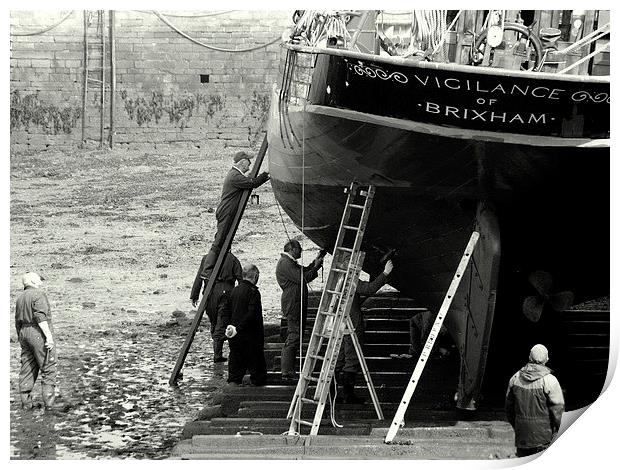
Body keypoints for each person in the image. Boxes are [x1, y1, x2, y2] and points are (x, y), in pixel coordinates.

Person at [333, 259, 394, 404]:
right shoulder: (350, 279)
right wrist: (385, 273)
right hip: (352, 323)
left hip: (338, 323)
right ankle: (348, 395)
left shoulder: (337, 278)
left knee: (338, 359)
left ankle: (332, 394)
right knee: (352, 359)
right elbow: (369, 289)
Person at [202, 151, 270, 272]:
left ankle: (217, 265)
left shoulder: (235, 175)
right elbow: (252, 183)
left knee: (223, 239)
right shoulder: (235, 176)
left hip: (227, 210)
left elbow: (250, 181)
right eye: (248, 163)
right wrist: (266, 173)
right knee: (220, 240)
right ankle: (207, 269)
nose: (249, 166)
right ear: (243, 163)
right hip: (227, 211)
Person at [276, 239, 325, 382]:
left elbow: (303, 271)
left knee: (296, 335)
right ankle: (287, 371)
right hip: (293, 304)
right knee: (294, 335)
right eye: (299, 248)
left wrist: (317, 260)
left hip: (295, 303)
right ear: (292, 249)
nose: (301, 251)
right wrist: (315, 267)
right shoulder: (286, 263)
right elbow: (303, 277)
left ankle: (289, 370)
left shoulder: (288, 262)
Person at [505, 344, 565, 457]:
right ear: (547, 359)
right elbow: (558, 412)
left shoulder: (515, 378)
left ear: (529, 357)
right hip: (544, 438)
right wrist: (556, 431)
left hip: (522, 437)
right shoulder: (550, 381)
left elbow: (509, 410)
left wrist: (519, 426)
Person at [15, 272, 57, 411]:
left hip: (23, 332)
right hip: (37, 332)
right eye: (39, 279)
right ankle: (49, 406)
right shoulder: (38, 294)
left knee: (27, 367)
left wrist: (21, 338)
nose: (41, 282)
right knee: (48, 367)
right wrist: (49, 337)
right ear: (33, 281)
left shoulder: (20, 298)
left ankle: (26, 404)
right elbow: (40, 317)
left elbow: (17, 321)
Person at [190, 250, 242, 363]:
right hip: (226, 293)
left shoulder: (206, 258)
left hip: (209, 293)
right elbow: (240, 279)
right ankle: (218, 354)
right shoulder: (232, 259)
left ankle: (217, 351)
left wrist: (194, 295)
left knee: (214, 321)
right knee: (221, 321)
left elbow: (199, 277)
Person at [224, 264, 267, 386]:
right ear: (255, 276)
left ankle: (233, 386)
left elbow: (226, 311)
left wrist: (229, 327)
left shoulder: (234, 291)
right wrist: (240, 327)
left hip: (234, 333)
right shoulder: (254, 292)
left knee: (235, 362)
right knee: (256, 366)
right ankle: (256, 389)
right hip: (250, 334)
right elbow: (252, 314)